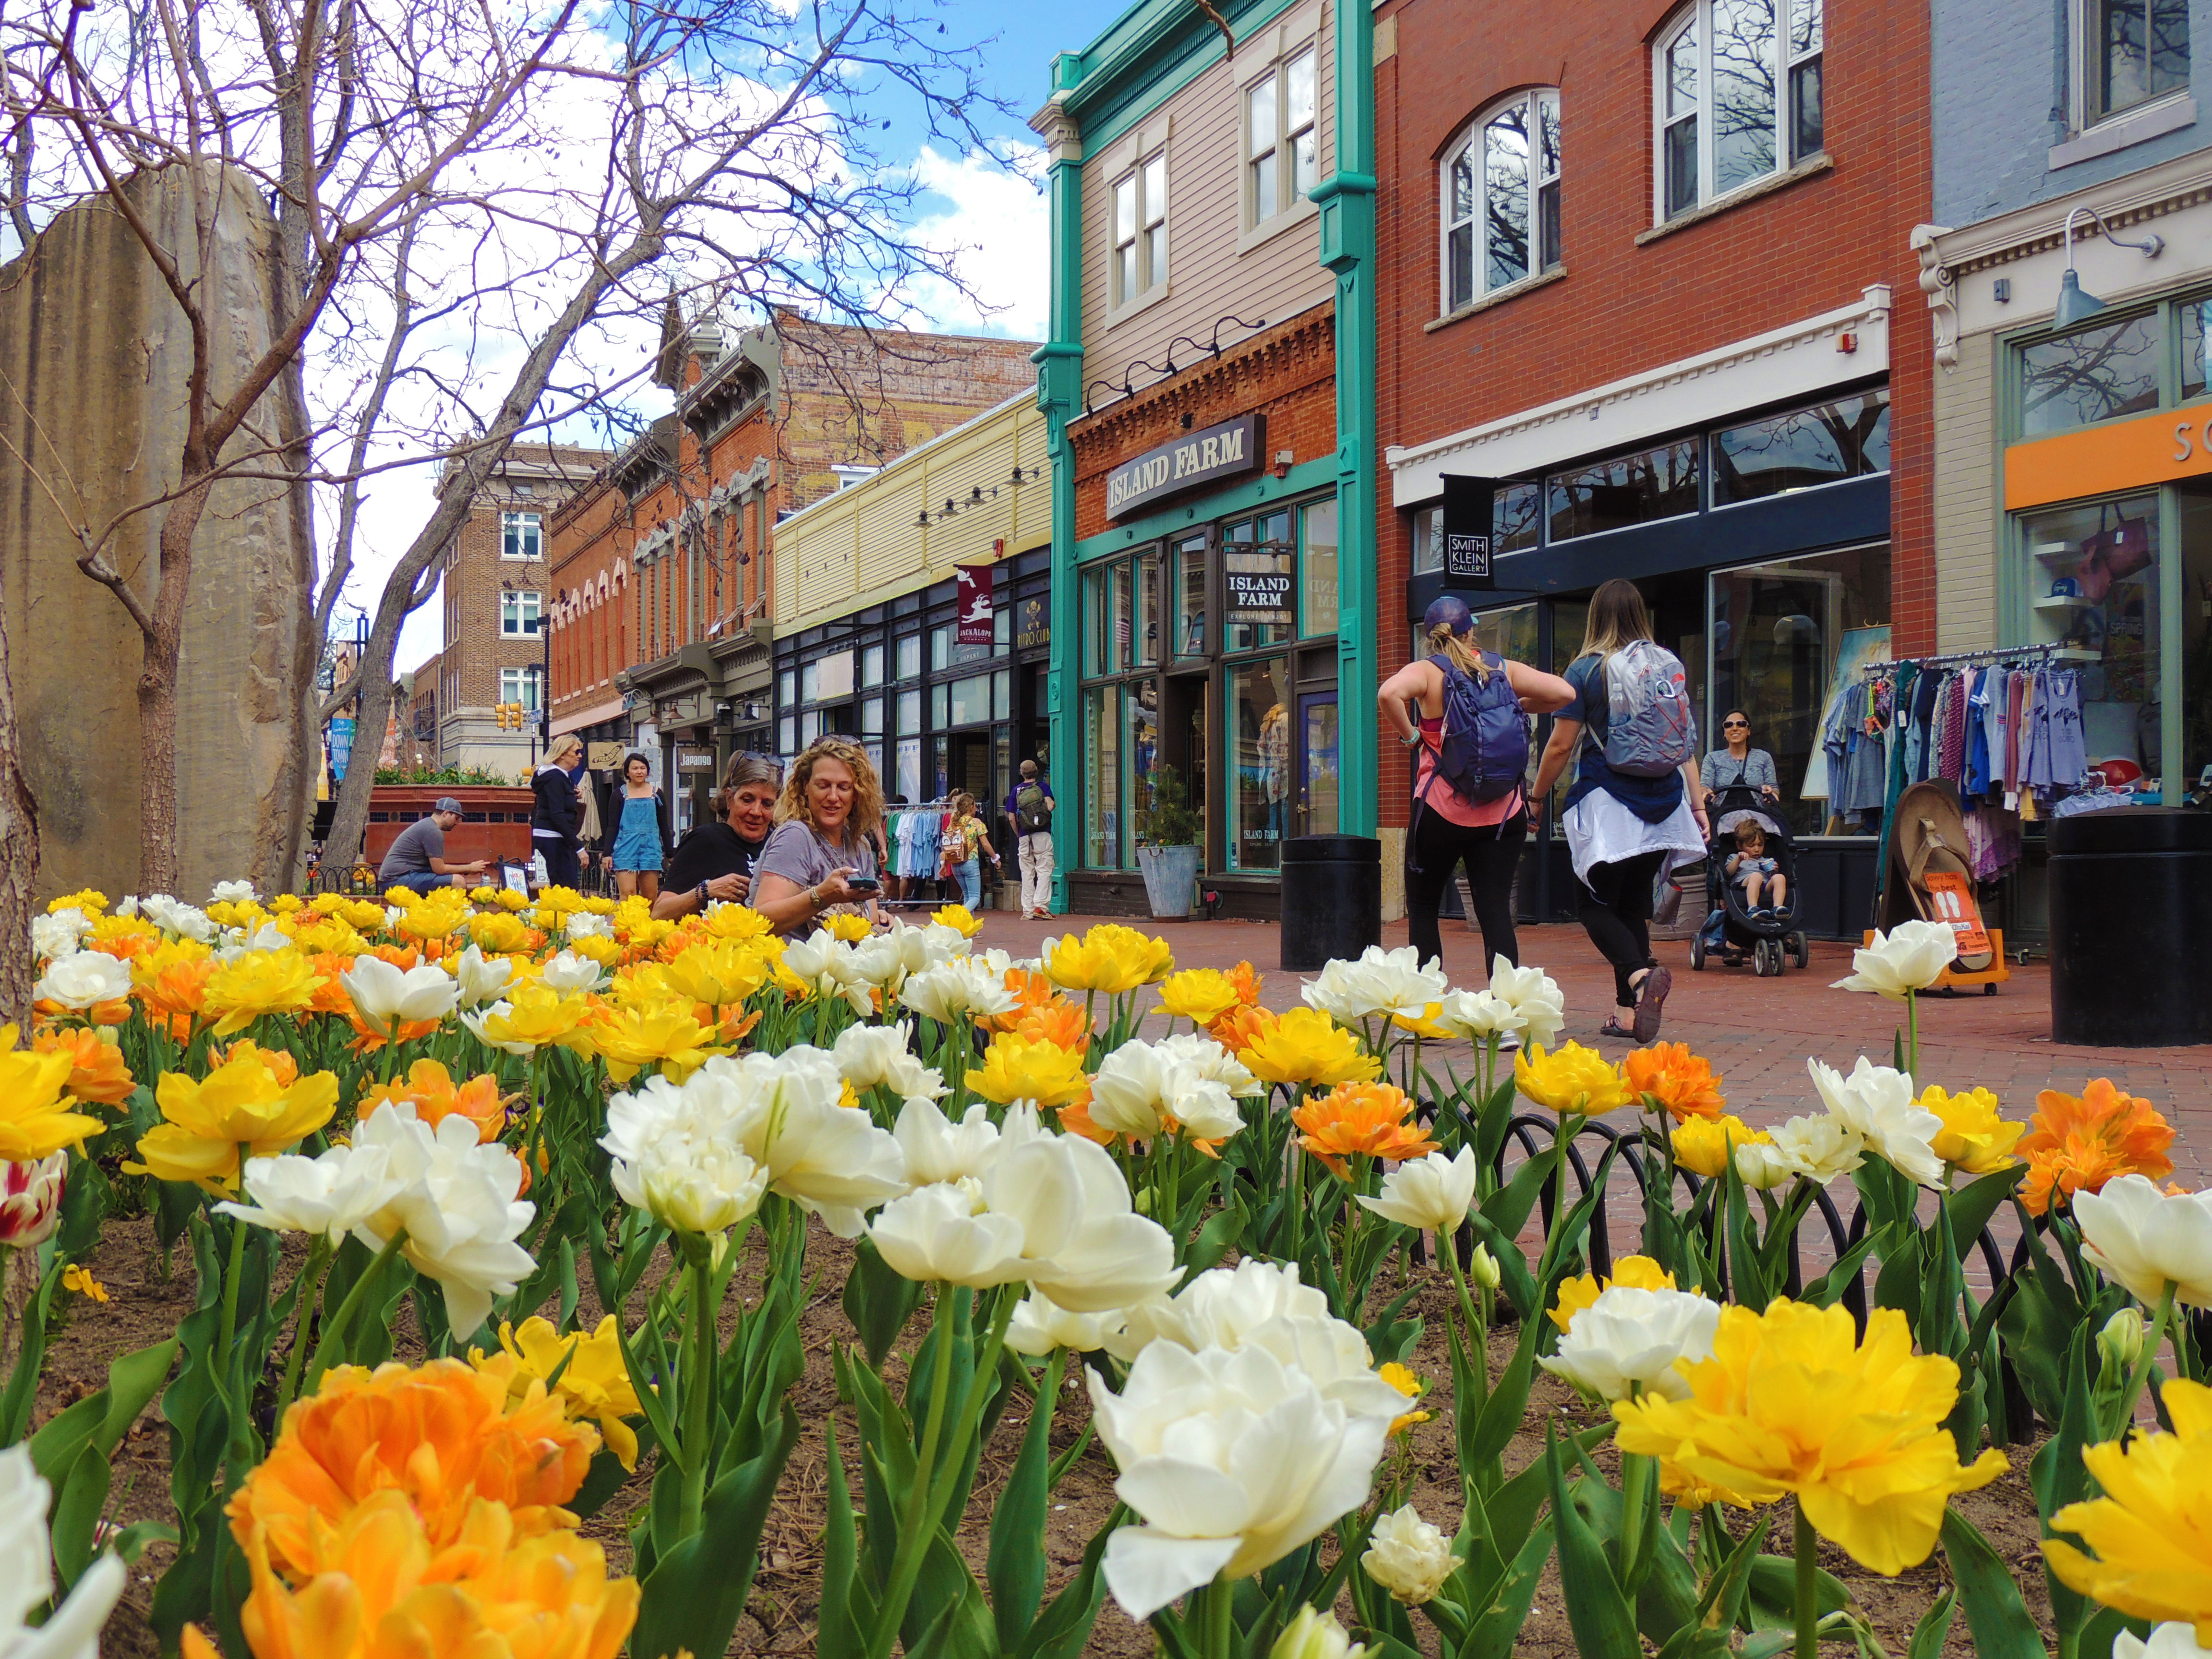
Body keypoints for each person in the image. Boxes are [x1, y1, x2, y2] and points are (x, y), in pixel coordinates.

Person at [1531, 580, 1709, 1042]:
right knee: (1631, 907)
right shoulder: (1665, 666)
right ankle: (1628, 1015)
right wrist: (1696, 802)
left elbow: (1560, 745)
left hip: (1609, 806)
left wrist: (1536, 796)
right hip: (1666, 805)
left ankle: (1640, 974)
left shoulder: (1585, 670)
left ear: (1594, 617)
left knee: (1592, 905)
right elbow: (1685, 744)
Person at [1380, 597, 1573, 981]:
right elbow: (1565, 694)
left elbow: (1388, 694)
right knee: (1495, 911)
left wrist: (1412, 736)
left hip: (1440, 810)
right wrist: (1516, 703)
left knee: (1422, 908)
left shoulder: (1428, 672)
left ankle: (1425, 1014)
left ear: (1432, 637)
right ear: (1472, 631)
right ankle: (1506, 1016)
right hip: (1503, 814)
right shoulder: (1502, 668)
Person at [751, 737, 884, 936]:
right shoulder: (796, 836)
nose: (833, 797)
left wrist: (882, 921)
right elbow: (762, 920)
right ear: (805, 787)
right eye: (823, 785)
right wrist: (821, 896)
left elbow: (869, 919)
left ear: (857, 794)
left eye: (844, 787)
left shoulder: (860, 844)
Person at [652, 753, 781, 920]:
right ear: (729, 798)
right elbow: (659, 914)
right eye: (747, 800)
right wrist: (706, 891)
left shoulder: (779, 843)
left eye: (767, 804)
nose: (756, 812)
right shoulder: (706, 840)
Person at [377, 797, 487, 893]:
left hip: (398, 879)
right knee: (458, 882)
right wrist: (469, 868)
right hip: (395, 882)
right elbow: (439, 869)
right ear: (445, 814)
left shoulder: (428, 825)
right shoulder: (432, 831)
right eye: (456, 818)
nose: (457, 823)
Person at [609, 752, 668, 900]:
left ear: (648, 771)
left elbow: (663, 824)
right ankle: (627, 923)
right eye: (635, 768)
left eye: (643, 768)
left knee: (650, 896)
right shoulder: (619, 794)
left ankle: (647, 923)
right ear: (628, 772)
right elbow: (612, 826)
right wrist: (607, 853)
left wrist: (670, 852)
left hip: (651, 846)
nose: (639, 772)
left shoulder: (657, 794)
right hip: (625, 846)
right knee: (628, 893)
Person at [531, 734, 585, 890]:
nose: (580, 756)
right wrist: (579, 848)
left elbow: (552, 800)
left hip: (554, 836)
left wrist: (572, 794)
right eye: (576, 752)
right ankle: (556, 914)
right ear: (562, 754)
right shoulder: (555, 777)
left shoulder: (560, 776)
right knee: (567, 888)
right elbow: (557, 814)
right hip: (553, 836)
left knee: (565, 887)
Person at [1006, 759, 1055, 919]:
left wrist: (1018, 833)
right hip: (1042, 834)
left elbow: (1012, 817)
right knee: (1044, 869)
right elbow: (1050, 806)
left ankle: (1027, 911)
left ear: (1022, 773)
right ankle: (1040, 907)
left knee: (1027, 872)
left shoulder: (1016, 791)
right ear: (1036, 772)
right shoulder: (1043, 787)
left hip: (1024, 836)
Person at [1702, 709, 1781, 804]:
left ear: (1749, 731)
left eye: (1741, 724)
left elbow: (1774, 790)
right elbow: (1705, 787)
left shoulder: (1764, 757)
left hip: (1758, 815)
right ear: (1724, 732)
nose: (1735, 728)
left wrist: (1770, 791)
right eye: (1729, 725)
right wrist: (1705, 792)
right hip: (1722, 815)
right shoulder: (1712, 758)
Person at [941, 791, 998, 911]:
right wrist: (995, 858)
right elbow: (986, 844)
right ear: (971, 807)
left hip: (956, 863)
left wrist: (945, 864)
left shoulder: (953, 823)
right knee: (975, 897)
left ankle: (968, 928)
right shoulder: (976, 823)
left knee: (967, 896)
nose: (977, 808)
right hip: (970, 862)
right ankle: (960, 916)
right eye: (975, 805)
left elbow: (947, 845)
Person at [1725, 819, 1785, 915]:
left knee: (1780, 878)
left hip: (1764, 885)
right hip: (1742, 885)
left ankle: (1778, 908)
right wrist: (1739, 860)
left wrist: (1774, 871)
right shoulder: (1735, 857)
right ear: (1739, 846)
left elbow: (1771, 877)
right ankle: (1753, 908)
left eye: (1760, 845)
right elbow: (1728, 873)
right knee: (1756, 876)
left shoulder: (1765, 860)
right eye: (1751, 846)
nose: (1757, 849)